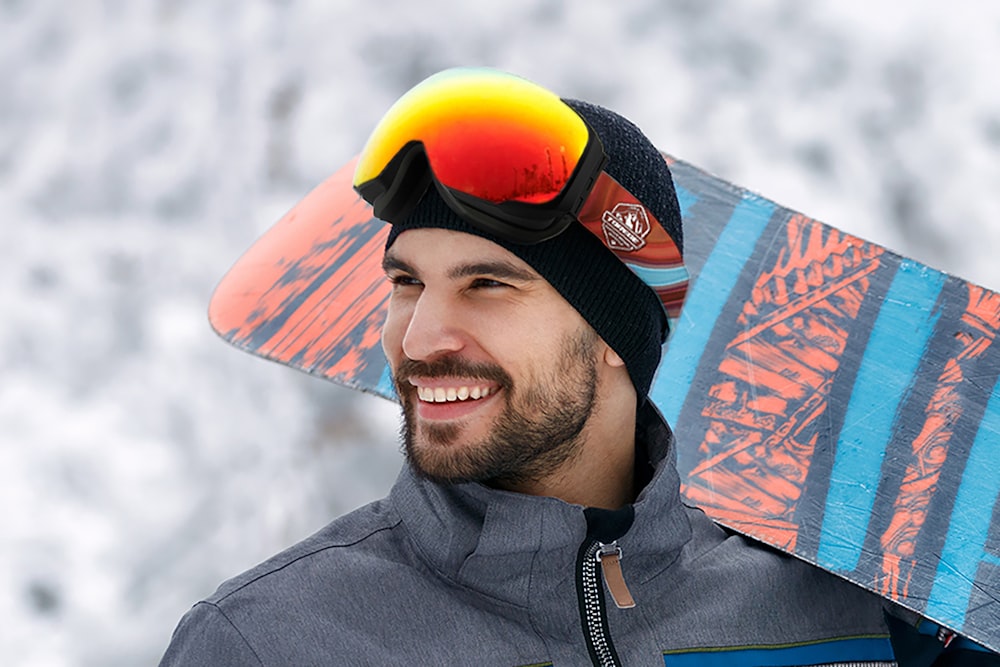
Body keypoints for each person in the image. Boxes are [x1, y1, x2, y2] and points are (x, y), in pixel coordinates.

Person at [159, 68, 998, 666]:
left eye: (488, 285)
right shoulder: (267, 641)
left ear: (612, 328)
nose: (418, 339)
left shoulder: (844, 613)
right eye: (407, 283)